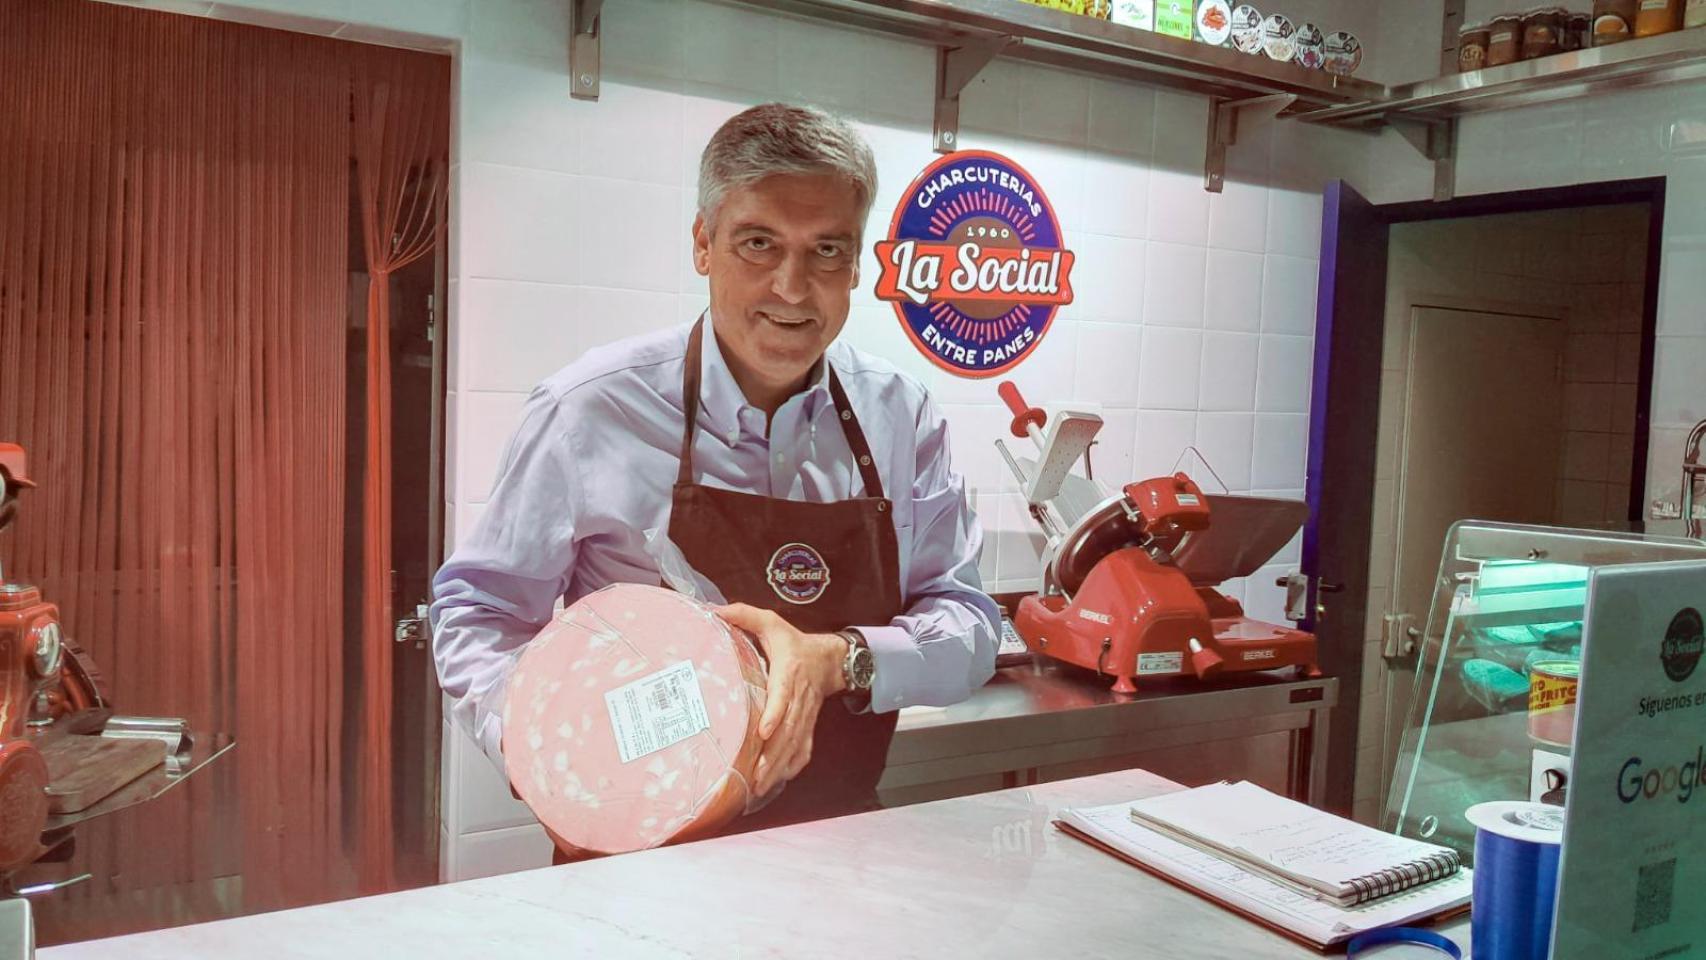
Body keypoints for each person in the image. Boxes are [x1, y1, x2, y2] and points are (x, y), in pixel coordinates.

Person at [430, 102, 998, 845]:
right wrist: (549, 755)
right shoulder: (590, 411)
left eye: (827, 251)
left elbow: (969, 626)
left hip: (837, 852)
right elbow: (480, 614)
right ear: (704, 243)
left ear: (858, 262)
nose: (793, 289)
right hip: (640, 862)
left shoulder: (900, 416)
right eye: (758, 243)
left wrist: (841, 659)